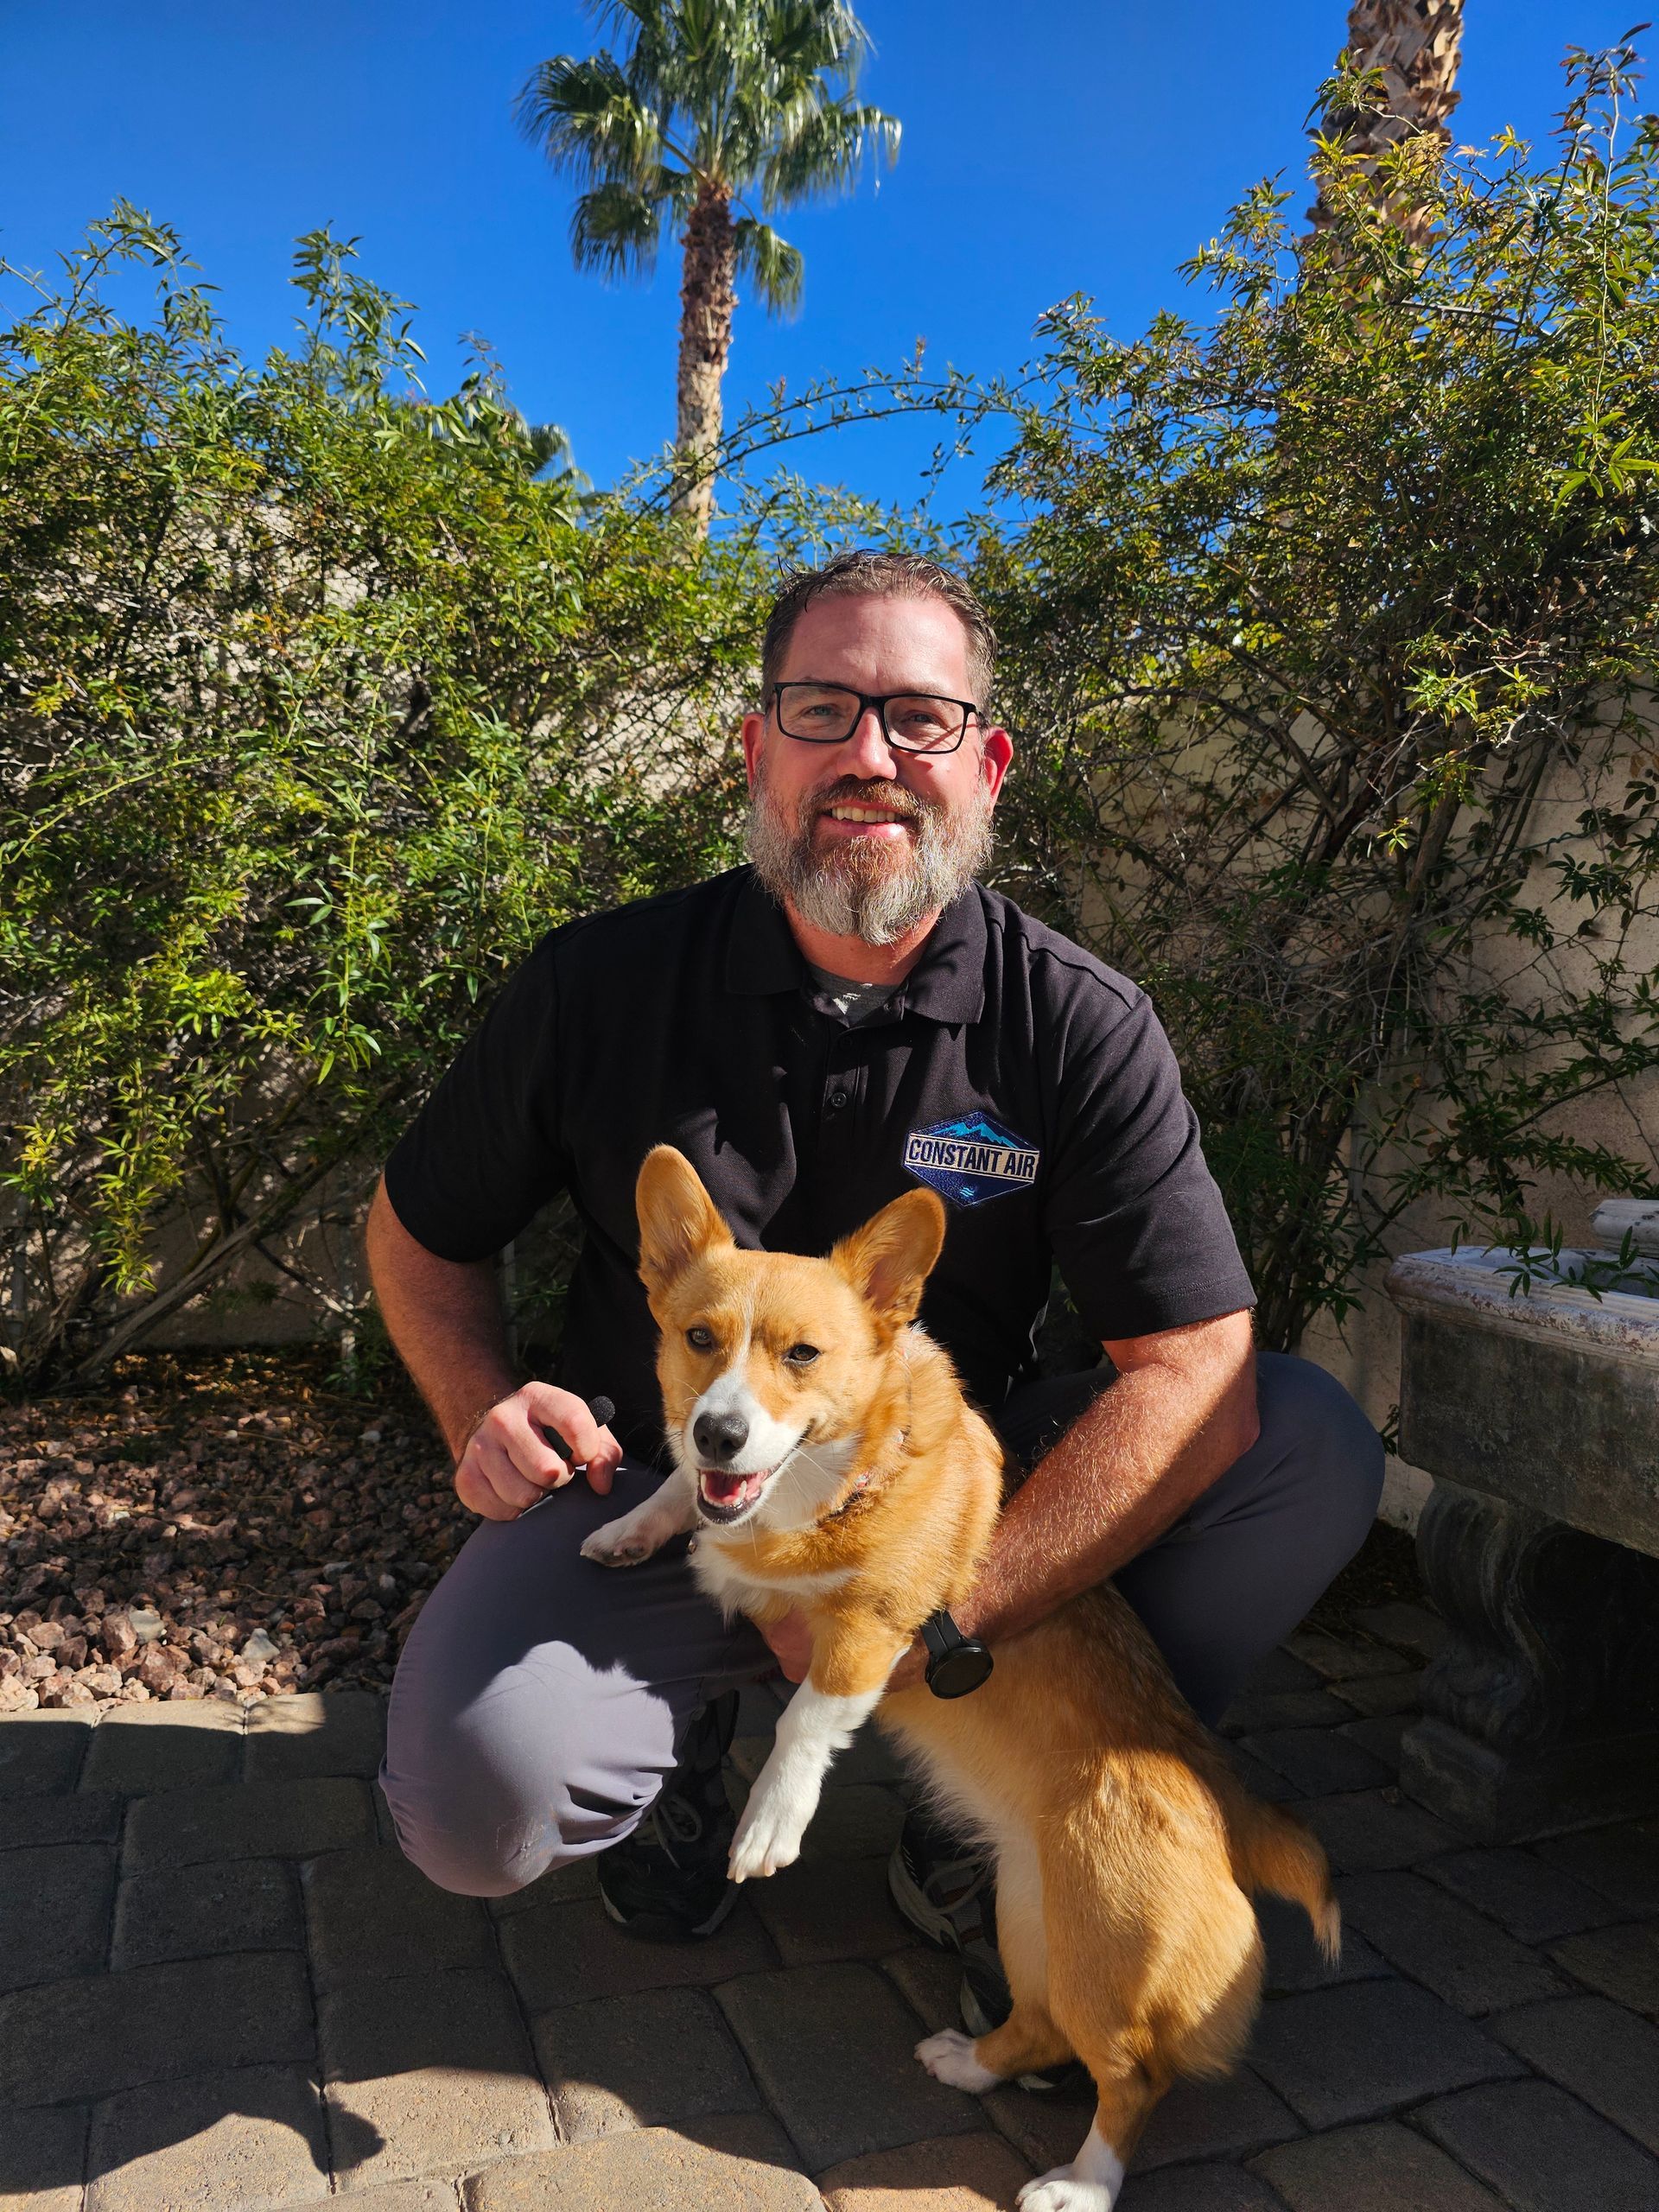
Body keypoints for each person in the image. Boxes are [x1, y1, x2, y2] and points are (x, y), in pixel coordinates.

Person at [370, 549, 1382, 2037]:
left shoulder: (1074, 1024)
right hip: (647, 1493)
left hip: (925, 1504)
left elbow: (1190, 1366)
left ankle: (977, 1797)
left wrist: (938, 1625)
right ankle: (681, 1758)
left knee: (1293, 1433)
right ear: (754, 747)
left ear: (988, 760)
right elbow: (414, 1233)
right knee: (476, 1811)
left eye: (918, 715)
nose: (868, 756)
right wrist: (478, 1410)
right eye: (822, 708)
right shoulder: (599, 985)